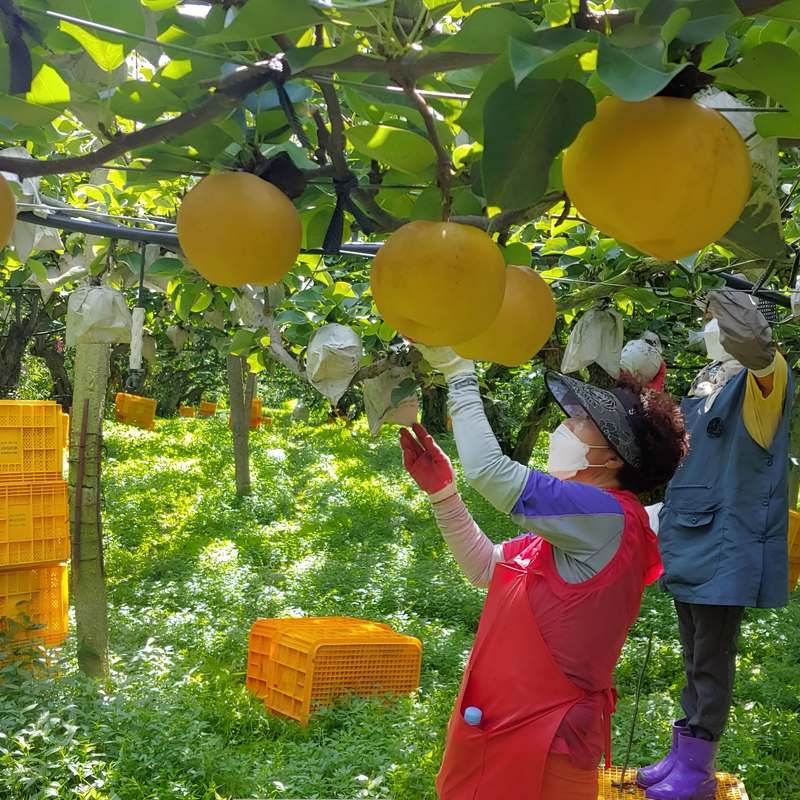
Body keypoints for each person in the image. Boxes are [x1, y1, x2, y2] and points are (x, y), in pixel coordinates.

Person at [400, 347, 688, 800]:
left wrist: (459, 372)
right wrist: (443, 495)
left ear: (614, 458)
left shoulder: (607, 517)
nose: (563, 429)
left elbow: (490, 471)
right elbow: (483, 566)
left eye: (578, 423)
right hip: (500, 732)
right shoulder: (573, 529)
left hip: (543, 747)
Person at [638, 290, 793, 800]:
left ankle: (698, 766)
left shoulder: (763, 381)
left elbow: (753, 342)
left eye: (718, 321)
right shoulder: (710, 382)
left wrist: (722, 288)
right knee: (694, 652)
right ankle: (684, 752)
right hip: (693, 534)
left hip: (727, 542)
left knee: (711, 654)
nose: (709, 328)